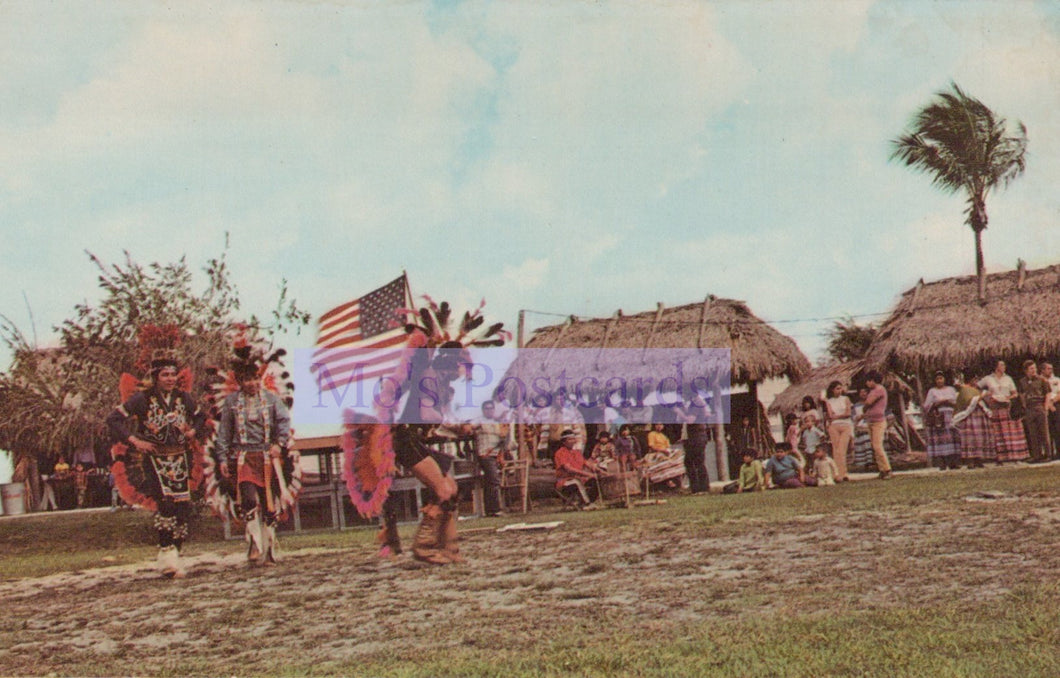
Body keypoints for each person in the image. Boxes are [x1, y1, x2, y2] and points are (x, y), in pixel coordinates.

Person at [107, 352, 205, 578]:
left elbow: (200, 417)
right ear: (155, 377)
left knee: (182, 509)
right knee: (166, 504)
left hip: (181, 459)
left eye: (173, 375)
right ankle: (166, 552)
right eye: (165, 375)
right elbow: (114, 419)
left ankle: (174, 554)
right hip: (154, 459)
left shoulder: (183, 398)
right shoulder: (142, 399)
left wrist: (192, 431)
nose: (170, 379)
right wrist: (134, 440)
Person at [214, 353, 293, 566]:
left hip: (268, 457)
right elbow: (224, 433)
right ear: (240, 381)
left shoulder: (271, 399)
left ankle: (269, 548)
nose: (252, 383)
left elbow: (284, 421)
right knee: (248, 499)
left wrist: (279, 443)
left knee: (269, 504)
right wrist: (222, 458)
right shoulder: (231, 402)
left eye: (255, 378)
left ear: (260, 378)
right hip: (243, 457)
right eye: (247, 379)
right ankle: (255, 542)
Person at [978, 360, 1028, 463]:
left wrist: (1008, 397)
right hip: (994, 408)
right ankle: (999, 457)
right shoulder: (988, 379)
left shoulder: (1008, 378)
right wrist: (986, 395)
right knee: (997, 432)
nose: (1004, 366)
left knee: (1009, 431)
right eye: (1002, 365)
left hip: (1006, 407)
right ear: (996, 367)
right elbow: (977, 387)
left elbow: (1015, 393)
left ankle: (1014, 456)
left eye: (1004, 364)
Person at [474, 400, 510, 517]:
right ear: (483, 410)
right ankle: (494, 509)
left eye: (491, 408)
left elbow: (502, 440)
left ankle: (492, 509)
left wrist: (501, 455)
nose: (489, 411)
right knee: (494, 480)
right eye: (487, 408)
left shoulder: (497, 423)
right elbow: (469, 429)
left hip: (495, 453)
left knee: (492, 481)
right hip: (485, 454)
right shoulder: (479, 421)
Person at [952, 370, 994, 468]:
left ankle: (978, 459)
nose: (976, 381)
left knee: (979, 438)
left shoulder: (976, 390)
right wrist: (981, 396)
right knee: (970, 439)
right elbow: (968, 402)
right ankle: (970, 461)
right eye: (975, 379)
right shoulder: (965, 390)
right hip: (969, 417)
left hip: (978, 416)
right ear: (970, 379)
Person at [856, 371, 892, 479]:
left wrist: (864, 409)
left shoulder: (879, 389)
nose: (867, 383)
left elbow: (868, 403)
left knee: (877, 445)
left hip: (878, 422)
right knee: (874, 447)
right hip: (870, 421)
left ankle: (887, 469)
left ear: (873, 380)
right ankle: (881, 469)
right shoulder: (872, 391)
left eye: (868, 381)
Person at [554, 429, 603, 506]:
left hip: (579, 478)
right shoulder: (560, 453)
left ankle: (587, 502)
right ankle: (587, 503)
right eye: (569, 439)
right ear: (563, 442)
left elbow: (587, 463)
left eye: (573, 439)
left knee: (596, 480)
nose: (572, 441)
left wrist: (600, 471)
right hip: (565, 482)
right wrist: (587, 474)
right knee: (577, 482)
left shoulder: (576, 452)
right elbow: (569, 469)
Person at [923, 371, 960, 470]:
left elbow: (956, 402)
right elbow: (926, 405)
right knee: (941, 439)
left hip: (950, 415)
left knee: (952, 438)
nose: (939, 381)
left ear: (944, 379)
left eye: (941, 378)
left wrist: (949, 402)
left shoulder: (951, 389)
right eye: (937, 379)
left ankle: (953, 462)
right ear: (935, 381)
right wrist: (936, 404)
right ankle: (942, 463)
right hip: (939, 417)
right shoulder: (932, 391)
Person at [676, 394, 711, 494]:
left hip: (697, 437)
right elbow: (679, 421)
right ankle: (695, 487)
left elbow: (691, 420)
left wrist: (679, 412)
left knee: (698, 462)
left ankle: (703, 488)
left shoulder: (697, 403)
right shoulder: (689, 405)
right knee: (689, 462)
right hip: (689, 437)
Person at [1019, 360, 1051, 463]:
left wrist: (1046, 407)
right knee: (1033, 433)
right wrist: (1024, 405)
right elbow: (1022, 394)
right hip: (1029, 407)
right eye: (1031, 369)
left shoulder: (1042, 380)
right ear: (1026, 370)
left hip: (1039, 405)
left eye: (1034, 368)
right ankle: (1037, 455)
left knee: (1044, 432)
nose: (1034, 370)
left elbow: (1048, 394)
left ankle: (1048, 454)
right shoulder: (1022, 381)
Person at [823, 381, 852, 482]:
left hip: (846, 425)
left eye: (840, 388)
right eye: (837, 388)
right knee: (836, 450)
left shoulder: (846, 399)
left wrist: (837, 416)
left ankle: (844, 473)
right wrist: (826, 403)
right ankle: (838, 474)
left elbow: (848, 413)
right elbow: (830, 415)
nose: (839, 390)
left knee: (842, 449)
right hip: (834, 426)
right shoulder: (829, 401)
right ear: (832, 390)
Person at [1042, 362, 1060, 459]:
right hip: (1045, 406)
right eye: (1048, 368)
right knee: (1047, 430)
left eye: (1051, 368)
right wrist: (1048, 405)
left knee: (1058, 429)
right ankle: (1049, 453)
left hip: (1056, 405)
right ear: (1043, 370)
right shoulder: (1040, 380)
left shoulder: (1056, 380)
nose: (1051, 370)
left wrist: (1052, 402)